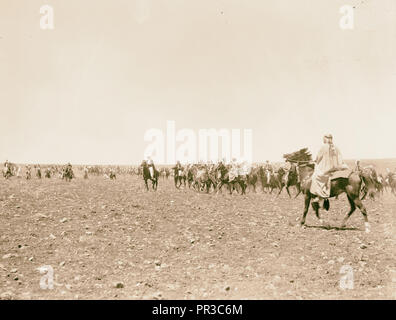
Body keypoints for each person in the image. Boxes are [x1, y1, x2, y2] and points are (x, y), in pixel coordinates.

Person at [310, 134, 348, 201]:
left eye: (324, 138)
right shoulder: (336, 147)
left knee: (315, 177)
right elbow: (340, 157)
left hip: (327, 168)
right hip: (336, 166)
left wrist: (315, 161)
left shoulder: (323, 147)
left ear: (325, 139)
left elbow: (319, 157)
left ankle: (320, 196)